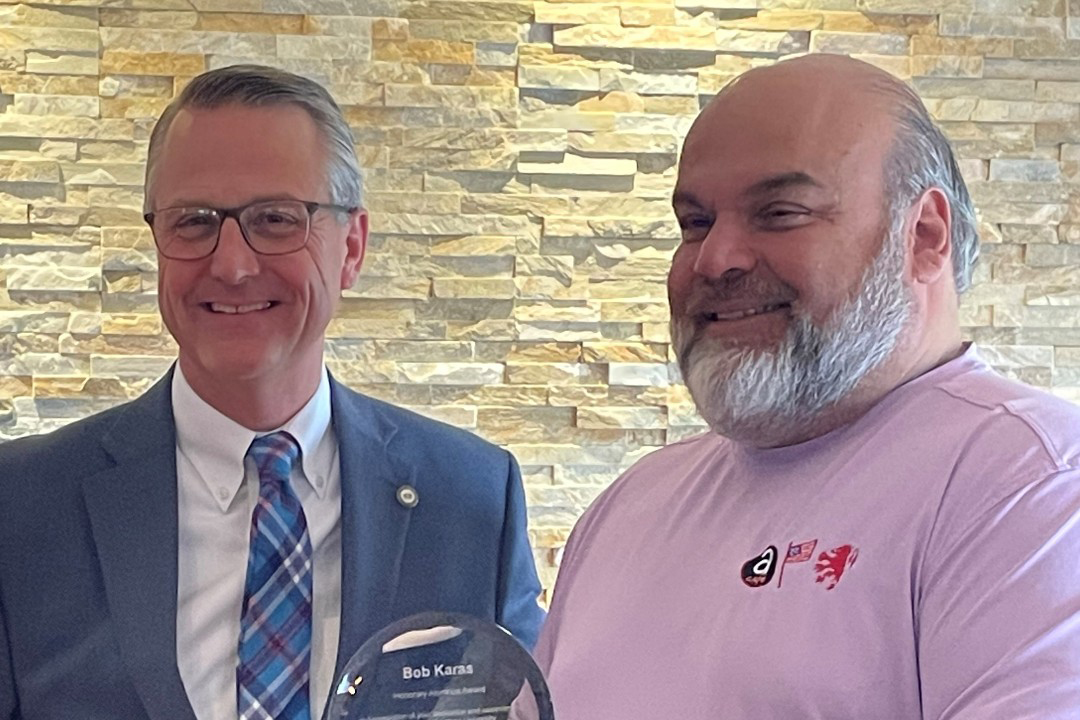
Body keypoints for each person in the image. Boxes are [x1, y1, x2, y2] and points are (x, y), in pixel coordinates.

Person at [535, 54, 1080, 718]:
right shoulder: (627, 508)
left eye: (780, 213)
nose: (715, 259)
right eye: (695, 223)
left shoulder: (1035, 487)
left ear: (925, 236)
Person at [0, 64, 544, 720]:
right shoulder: (23, 507)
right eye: (194, 222)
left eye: (277, 219)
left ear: (352, 247)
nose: (231, 264)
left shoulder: (473, 503)